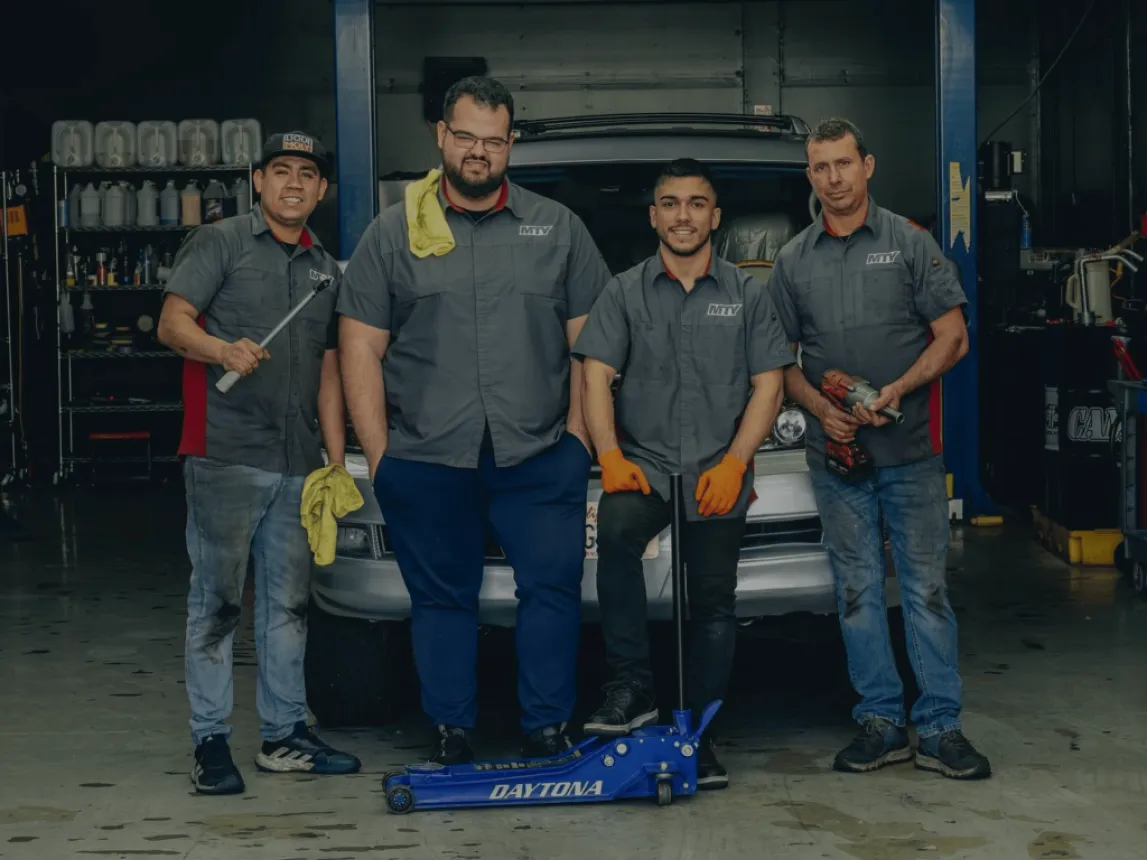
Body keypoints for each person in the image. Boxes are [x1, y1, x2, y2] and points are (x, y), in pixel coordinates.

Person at [336, 76, 612, 763]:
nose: (479, 153)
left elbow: (592, 345)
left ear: (510, 144)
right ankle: (450, 727)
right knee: (440, 596)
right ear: (441, 136)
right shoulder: (392, 234)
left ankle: (545, 725)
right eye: (466, 137)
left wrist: (578, 442)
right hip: (427, 456)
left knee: (550, 590)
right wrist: (380, 455)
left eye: (494, 141)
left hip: (539, 452)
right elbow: (359, 347)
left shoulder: (559, 229)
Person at [768, 117, 991, 780]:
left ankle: (940, 726)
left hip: (911, 453)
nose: (832, 178)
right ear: (808, 175)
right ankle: (880, 720)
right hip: (836, 459)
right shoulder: (792, 260)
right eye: (819, 167)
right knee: (858, 591)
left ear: (867, 165)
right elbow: (776, 359)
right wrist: (819, 411)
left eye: (842, 163)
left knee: (923, 590)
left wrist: (897, 386)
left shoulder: (908, 244)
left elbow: (952, 337)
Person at [571, 159, 793, 789]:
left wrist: (735, 461)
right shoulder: (623, 290)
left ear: (715, 217)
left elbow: (768, 383)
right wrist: (610, 456)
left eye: (697, 204)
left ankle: (698, 730)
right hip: (643, 467)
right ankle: (632, 689)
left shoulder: (748, 294)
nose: (684, 215)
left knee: (713, 603)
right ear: (654, 216)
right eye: (671, 204)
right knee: (614, 536)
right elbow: (595, 374)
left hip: (715, 469)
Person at [158, 131, 361, 795]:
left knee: (289, 605)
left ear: (321, 188)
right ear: (257, 180)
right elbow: (172, 323)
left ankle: (282, 736)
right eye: (280, 171)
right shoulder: (219, 243)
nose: (293, 184)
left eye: (306, 173)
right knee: (216, 604)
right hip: (225, 453)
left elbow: (330, 370)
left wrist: (334, 457)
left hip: (298, 460)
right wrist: (220, 351)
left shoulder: (326, 268)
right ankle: (210, 742)